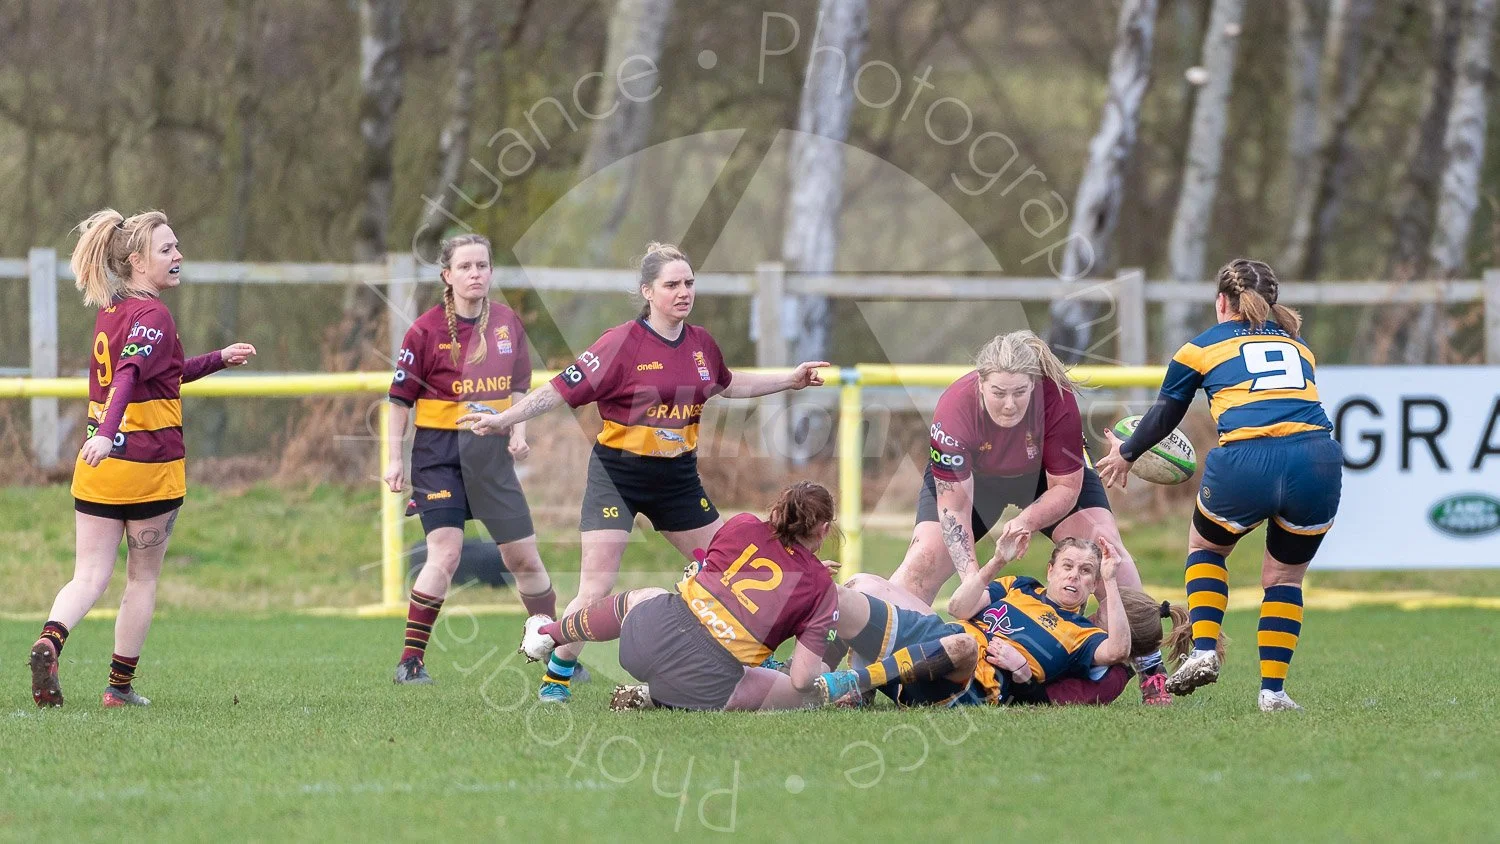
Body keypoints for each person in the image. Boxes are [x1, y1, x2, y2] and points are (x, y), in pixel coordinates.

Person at [459, 242, 827, 703]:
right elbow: (557, 389)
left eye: (689, 283)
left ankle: (753, 658)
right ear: (647, 292)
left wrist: (790, 379)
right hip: (619, 477)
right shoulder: (620, 343)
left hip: (677, 481)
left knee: (735, 566)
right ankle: (556, 678)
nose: (683, 292)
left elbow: (729, 385)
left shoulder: (701, 343)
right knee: (596, 588)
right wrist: (504, 420)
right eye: (672, 284)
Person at [29, 209, 256, 708]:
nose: (178, 256)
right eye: (166, 249)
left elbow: (162, 373)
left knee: (88, 576)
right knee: (142, 578)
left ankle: (50, 640)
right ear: (136, 261)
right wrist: (111, 433)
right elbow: (130, 375)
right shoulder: (154, 315)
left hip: (98, 467)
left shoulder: (112, 310)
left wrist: (218, 359)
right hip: (148, 465)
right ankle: (119, 687)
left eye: (176, 247)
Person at [1097, 258, 1341, 712]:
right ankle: (1273, 692)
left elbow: (1165, 414)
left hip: (1246, 460)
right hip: (1317, 460)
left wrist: (1126, 454)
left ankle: (1205, 649)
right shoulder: (1300, 346)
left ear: (1222, 302)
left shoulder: (1200, 347)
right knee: (1285, 579)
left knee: (1207, 550)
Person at [886, 330, 1173, 703]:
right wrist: (972, 578)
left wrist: (1027, 521)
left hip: (1047, 479)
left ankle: (1151, 669)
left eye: (1020, 393)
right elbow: (953, 509)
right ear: (980, 384)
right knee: (921, 562)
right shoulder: (954, 408)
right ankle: (868, 670)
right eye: (999, 393)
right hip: (977, 480)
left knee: (1110, 554)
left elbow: (1065, 488)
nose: (1009, 405)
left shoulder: (1057, 399)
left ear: (1035, 385)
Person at [384, 234, 560, 684]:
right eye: (465, 267)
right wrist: (394, 460)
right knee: (445, 553)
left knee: (524, 560)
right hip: (439, 458)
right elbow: (400, 401)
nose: (475, 273)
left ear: (491, 272)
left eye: (482, 265)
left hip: (491, 460)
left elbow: (519, 388)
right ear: (447, 276)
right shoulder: (424, 331)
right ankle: (410, 662)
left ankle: (556, 655)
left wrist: (518, 432)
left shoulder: (506, 323)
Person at [518, 481, 839, 711]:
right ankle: (857, 681)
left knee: (646, 597)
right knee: (803, 691)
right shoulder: (820, 586)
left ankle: (548, 633)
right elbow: (802, 679)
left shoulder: (743, 524)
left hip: (643, 644)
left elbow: (721, 571)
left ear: (779, 509)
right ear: (824, 529)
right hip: (710, 683)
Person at [817, 537, 1153, 707]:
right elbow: (959, 607)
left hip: (966, 682)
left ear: (1094, 584)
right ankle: (809, 676)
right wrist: (997, 560)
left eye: (1086, 571)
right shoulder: (1020, 585)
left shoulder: (1084, 635)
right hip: (939, 636)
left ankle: (853, 682)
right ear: (1050, 570)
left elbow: (1118, 650)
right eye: (1067, 566)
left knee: (964, 645)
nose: (1074, 576)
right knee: (859, 585)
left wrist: (1111, 579)